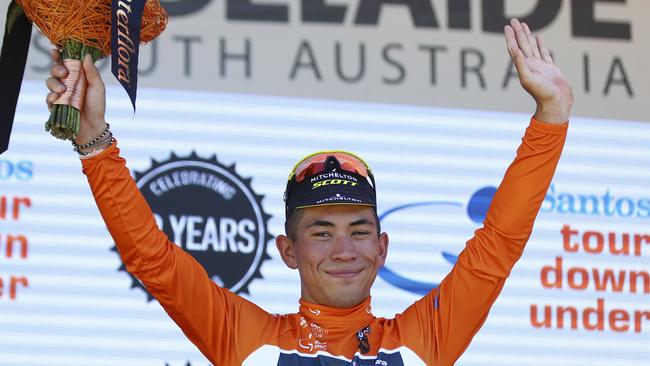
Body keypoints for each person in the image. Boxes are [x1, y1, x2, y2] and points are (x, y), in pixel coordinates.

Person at [45, 19, 573, 365]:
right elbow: (152, 258)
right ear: (288, 251)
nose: (344, 249)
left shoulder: (421, 342)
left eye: (359, 230)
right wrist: (94, 143)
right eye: (322, 232)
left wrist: (550, 117)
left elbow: (500, 241)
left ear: (382, 248)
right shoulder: (247, 339)